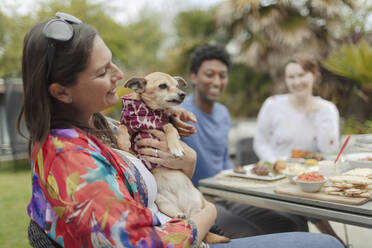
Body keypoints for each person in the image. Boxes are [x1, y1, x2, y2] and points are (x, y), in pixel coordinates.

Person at [21, 12, 343, 248]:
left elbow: (164, 164)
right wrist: (206, 216)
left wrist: (183, 158)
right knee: (323, 245)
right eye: (103, 71)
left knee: (301, 230)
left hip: (183, 213)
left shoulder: (102, 125)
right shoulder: (69, 158)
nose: (119, 74)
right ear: (62, 92)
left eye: (113, 62)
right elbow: (140, 243)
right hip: (188, 230)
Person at [179, 43, 313, 239]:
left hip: (227, 194)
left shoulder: (223, 114)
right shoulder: (179, 113)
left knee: (289, 222)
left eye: (222, 75)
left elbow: (224, 160)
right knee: (246, 231)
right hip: (197, 200)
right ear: (193, 77)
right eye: (209, 74)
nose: (217, 81)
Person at [253, 53, 344, 243]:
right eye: (291, 77)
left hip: (310, 179)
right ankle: (333, 240)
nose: (297, 81)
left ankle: (330, 241)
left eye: (302, 75)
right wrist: (275, 162)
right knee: (299, 212)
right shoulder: (273, 104)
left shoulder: (327, 109)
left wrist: (320, 115)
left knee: (306, 205)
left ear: (314, 76)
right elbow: (260, 141)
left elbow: (329, 150)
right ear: (286, 80)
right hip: (276, 178)